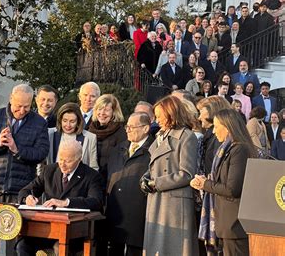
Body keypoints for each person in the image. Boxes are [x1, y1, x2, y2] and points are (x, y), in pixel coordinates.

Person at [0, 84, 49, 256]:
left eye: (27, 107)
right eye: (18, 106)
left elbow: (41, 152)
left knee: (15, 240)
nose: (22, 110)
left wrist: (17, 149)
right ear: (10, 99)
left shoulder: (39, 123)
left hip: (19, 189)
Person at [17, 140, 103, 256]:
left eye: (68, 161)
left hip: (74, 234)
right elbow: (25, 191)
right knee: (23, 245)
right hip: (47, 230)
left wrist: (66, 202)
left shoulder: (91, 176)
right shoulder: (49, 170)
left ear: (79, 158)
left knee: (60, 248)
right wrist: (27, 198)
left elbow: (96, 201)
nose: (62, 164)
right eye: (60, 158)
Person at [190, 109, 255, 256]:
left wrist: (205, 184)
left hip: (235, 226)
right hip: (226, 224)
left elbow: (232, 189)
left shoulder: (239, 149)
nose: (214, 132)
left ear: (228, 126)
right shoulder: (227, 149)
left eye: (216, 126)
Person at [141, 95, 198, 256]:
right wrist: (145, 178)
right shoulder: (160, 136)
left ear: (171, 113)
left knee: (174, 249)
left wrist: (155, 183)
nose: (156, 120)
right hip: (157, 199)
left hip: (174, 203)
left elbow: (186, 173)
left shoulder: (186, 136)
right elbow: (154, 165)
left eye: (159, 116)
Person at [105, 112, 155, 256]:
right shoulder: (118, 149)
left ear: (145, 129)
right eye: (127, 126)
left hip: (139, 213)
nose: (127, 130)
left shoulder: (153, 150)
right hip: (116, 212)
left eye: (132, 127)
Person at [46, 102, 99, 170]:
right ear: (60, 120)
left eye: (72, 121)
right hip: (52, 179)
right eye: (65, 121)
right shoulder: (49, 134)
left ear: (78, 122)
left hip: (81, 179)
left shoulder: (90, 138)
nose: (68, 125)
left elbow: (94, 168)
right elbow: (41, 164)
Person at [88, 94, 126, 178]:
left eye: (106, 110)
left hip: (109, 179)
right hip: (91, 177)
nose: (102, 113)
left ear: (114, 112)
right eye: (100, 109)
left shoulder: (121, 133)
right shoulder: (90, 129)